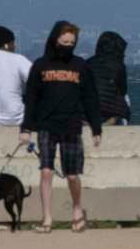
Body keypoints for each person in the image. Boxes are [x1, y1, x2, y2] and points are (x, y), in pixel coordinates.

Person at [19, 21, 103, 233]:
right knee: (46, 171)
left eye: (71, 43)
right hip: (46, 125)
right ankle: (47, 217)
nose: (67, 46)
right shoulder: (40, 65)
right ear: (55, 40)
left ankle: (76, 208)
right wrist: (26, 128)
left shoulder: (81, 66)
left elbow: (90, 98)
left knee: (72, 174)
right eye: (64, 42)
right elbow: (31, 98)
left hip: (72, 126)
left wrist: (96, 128)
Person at [0, 25, 33, 127]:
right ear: (7, 44)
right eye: (13, 43)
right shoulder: (18, 59)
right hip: (16, 118)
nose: (15, 46)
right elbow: (36, 80)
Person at [87, 31, 131, 125]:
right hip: (110, 113)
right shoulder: (119, 65)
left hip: (87, 112)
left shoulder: (87, 63)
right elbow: (123, 90)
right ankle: (115, 120)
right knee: (125, 98)